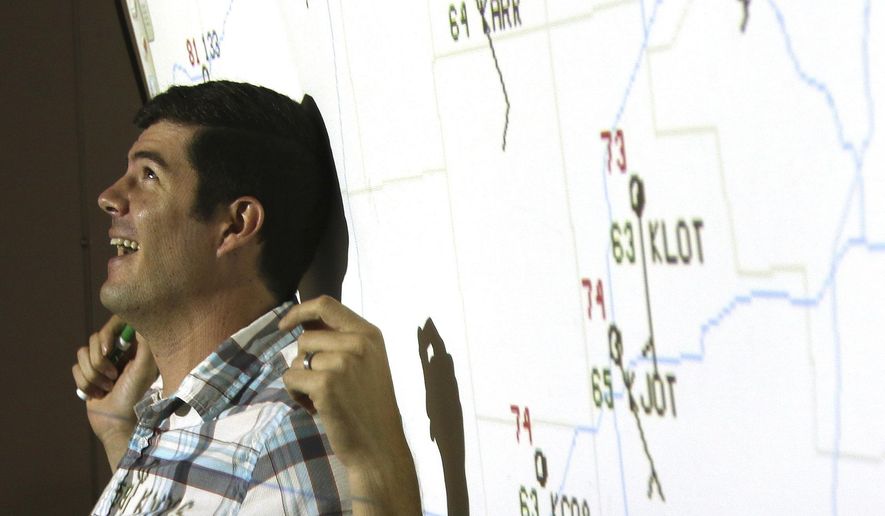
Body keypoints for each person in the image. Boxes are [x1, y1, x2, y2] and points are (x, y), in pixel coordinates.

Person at [72, 81, 420, 514]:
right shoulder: (175, 414)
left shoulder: (283, 434)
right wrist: (118, 434)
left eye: (148, 175)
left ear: (236, 226)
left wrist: (379, 467)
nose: (109, 198)